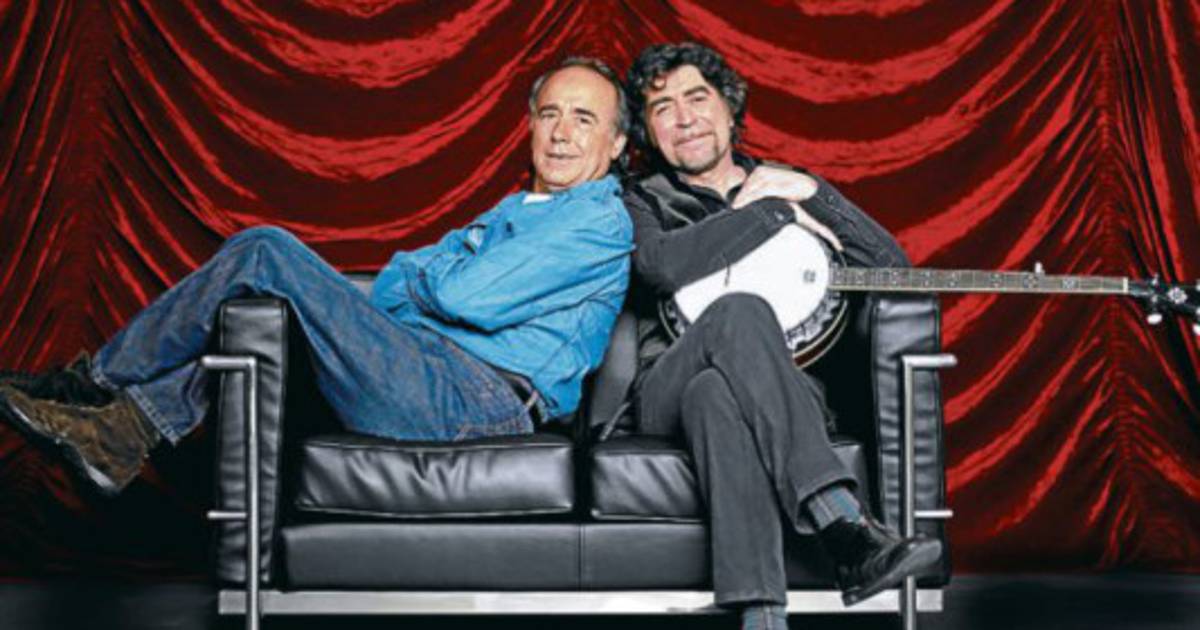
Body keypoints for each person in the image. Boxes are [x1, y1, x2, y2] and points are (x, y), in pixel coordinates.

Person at [0, 57, 633, 497]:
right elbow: (394, 283)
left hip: (478, 403)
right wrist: (438, 289)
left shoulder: (599, 220)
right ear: (530, 125)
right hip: (424, 367)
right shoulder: (515, 209)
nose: (561, 134)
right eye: (550, 114)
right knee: (261, 314)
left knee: (265, 251)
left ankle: (94, 383)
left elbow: (465, 295)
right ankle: (121, 432)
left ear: (617, 144)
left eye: (584, 119)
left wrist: (442, 284)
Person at [621, 42, 941, 630]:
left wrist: (810, 193)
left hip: (779, 390)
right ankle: (843, 524)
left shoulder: (786, 184)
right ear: (648, 130)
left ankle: (763, 619)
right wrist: (773, 214)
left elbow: (893, 268)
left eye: (697, 98)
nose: (684, 118)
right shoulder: (642, 198)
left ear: (729, 109)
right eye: (662, 108)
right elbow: (660, 266)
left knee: (717, 396)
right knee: (740, 310)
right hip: (665, 386)